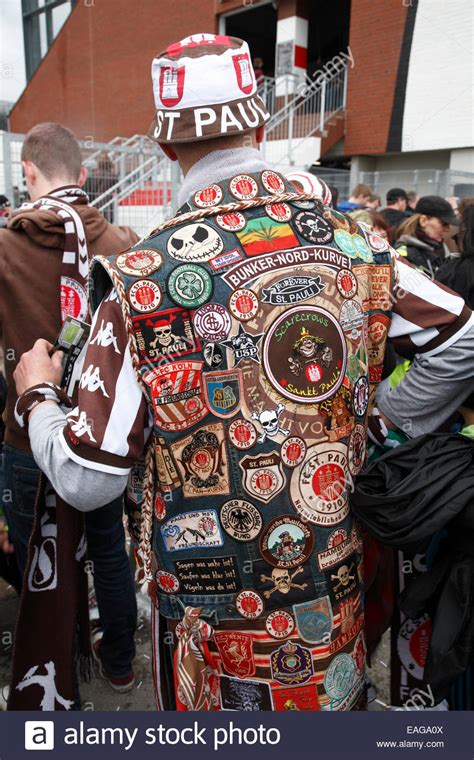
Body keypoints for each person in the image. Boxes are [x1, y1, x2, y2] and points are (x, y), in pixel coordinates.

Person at [13, 35, 474, 713]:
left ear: (166, 148)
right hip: (329, 594)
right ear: (258, 125)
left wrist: (36, 396)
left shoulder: (141, 279)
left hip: (207, 621)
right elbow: (461, 338)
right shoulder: (357, 245)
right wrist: (381, 418)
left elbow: (88, 476)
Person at [0, 122, 139, 692]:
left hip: (20, 433)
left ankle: (56, 678)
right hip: (102, 434)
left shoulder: (5, 248)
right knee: (108, 549)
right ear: (83, 177)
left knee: (37, 559)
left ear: (26, 174)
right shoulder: (126, 244)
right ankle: (121, 663)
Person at [394, 195, 459, 276]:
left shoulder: (442, 250)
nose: (448, 229)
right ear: (423, 221)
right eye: (443, 223)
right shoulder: (404, 255)